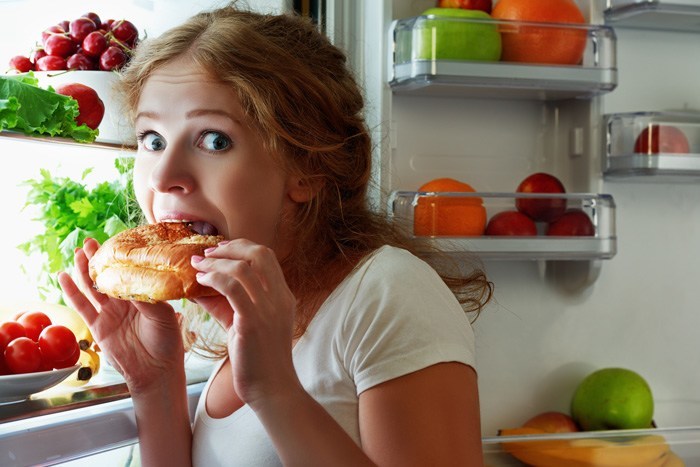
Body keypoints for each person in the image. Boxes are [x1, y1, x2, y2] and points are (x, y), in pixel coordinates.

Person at [58, 3, 494, 466]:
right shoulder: (228, 307)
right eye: (152, 139)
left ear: (305, 166)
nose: (163, 175)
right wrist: (154, 379)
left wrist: (274, 390)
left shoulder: (389, 293)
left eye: (214, 140)